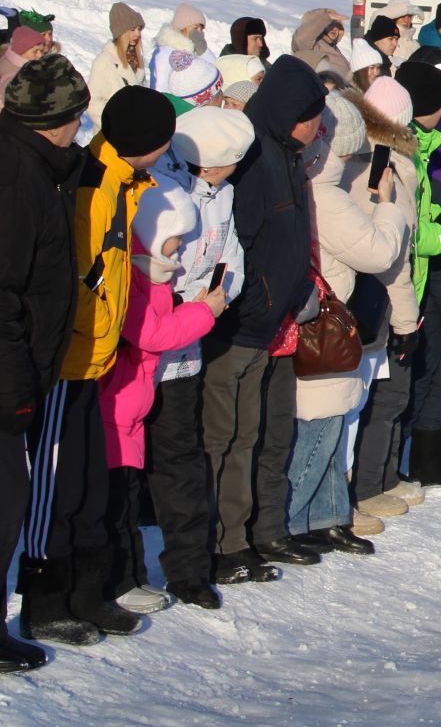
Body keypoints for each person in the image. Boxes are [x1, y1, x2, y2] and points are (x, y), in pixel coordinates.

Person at [22, 82, 174, 645]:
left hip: (98, 354)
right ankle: (44, 600)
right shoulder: (94, 183)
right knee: (57, 486)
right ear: (145, 142)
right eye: (164, 141)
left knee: (88, 483)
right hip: (69, 359)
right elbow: (73, 273)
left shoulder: (121, 178)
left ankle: (88, 593)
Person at [201, 56, 326, 586]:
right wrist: (258, 302)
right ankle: (216, 542)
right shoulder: (254, 160)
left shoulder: (284, 156)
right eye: (312, 115)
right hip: (241, 326)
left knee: (250, 436)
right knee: (222, 438)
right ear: (288, 112)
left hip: (269, 323)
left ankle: (244, 535)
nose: (318, 127)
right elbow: (238, 247)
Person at [290, 89, 410, 558]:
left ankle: (330, 515)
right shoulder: (328, 198)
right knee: (321, 430)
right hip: (326, 327)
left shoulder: (320, 191)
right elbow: (378, 250)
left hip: (330, 324)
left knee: (334, 425)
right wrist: (387, 206)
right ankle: (298, 517)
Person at [0, 55, 90, 668]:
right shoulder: (17, 180)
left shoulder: (35, 165)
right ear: (56, 121)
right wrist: (14, 385)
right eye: (77, 120)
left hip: (22, 363)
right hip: (8, 372)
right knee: (6, 501)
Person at [99, 184, 224, 613]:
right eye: (176, 236)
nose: (182, 246)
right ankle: (120, 578)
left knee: (128, 493)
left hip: (134, 402)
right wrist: (205, 311)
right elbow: (151, 333)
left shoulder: (151, 270)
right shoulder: (130, 273)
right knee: (118, 497)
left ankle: (134, 575)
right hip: (117, 405)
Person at [146, 105, 251, 610]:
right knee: (127, 464)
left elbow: (230, 254)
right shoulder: (162, 193)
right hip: (146, 345)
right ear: (208, 163)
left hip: (189, 341)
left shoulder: (223, 194)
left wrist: (221, 295)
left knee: (182, 459)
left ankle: (188, 570)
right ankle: (121, 572)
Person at [349, 77, 429, 524]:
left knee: (384, 393)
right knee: (376, 395)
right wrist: (406, 317)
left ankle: (380, 477)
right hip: (380, 295)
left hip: (386, 291)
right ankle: (365, 485)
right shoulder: (384, 167)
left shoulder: (380, 161)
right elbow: (393, 251)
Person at [391, 64, 441, 487]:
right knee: (408, 385)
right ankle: (386, 472)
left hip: (428, 282)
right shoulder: (408, 152)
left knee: (433, 377)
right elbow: (407, 227)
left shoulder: (425, 150)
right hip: (414, 285)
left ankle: (419, 462)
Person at [87, 3, 146, 129]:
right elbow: (92, 102)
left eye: (139, 29)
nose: (138, 34)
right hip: (113, 137)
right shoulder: (104, 62)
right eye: (133, 30)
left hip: (138, 134)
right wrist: (114, 125)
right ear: (121, 33)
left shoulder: (137, 61)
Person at [147, 4, 208, 85]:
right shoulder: (166, 52)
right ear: (182, 27)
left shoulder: (195, 50)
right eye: (195, 28)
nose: (199, 32)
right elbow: (160, 85)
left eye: (201, 29)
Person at [292, 9, 352, 87]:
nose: (334, 28)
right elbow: (302, 38)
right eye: (329, 25)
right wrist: (325, 17)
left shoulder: (334, 49)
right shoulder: (311, 46)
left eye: (336, 25)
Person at [0, 24, 52, 95]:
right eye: (35, 51)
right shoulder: (14, 77)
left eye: (41, 51)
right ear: (21, 51)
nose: (40, 55)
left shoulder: (20, 65)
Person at [373, 0, 421, 64]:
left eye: (409, 16)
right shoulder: (384, 42)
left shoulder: (416, 45)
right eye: (402, 16)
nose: (406, 19)